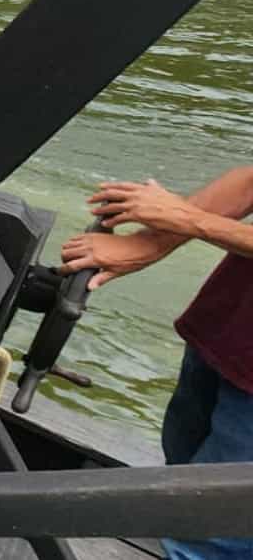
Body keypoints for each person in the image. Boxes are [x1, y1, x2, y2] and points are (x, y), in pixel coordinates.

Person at [58, 171, 253, 558]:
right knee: (184, 470)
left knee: (211, 529)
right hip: (228, 334)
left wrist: (187, 218)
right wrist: (146, 244)